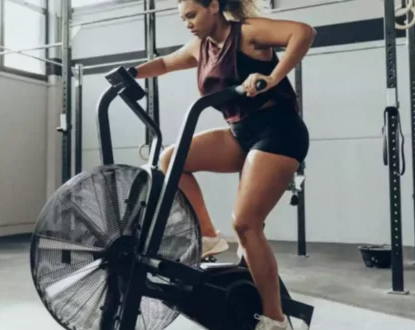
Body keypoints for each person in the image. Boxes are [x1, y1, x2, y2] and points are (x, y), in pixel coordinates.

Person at [132, 0, 315, 329]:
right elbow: (164, 63)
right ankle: (208, 235)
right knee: (172, 159)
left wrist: (273, 77)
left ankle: (275, 320)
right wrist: (130, 74)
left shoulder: (246, 32)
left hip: (279, 131)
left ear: (213, 6)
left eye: (192, 14)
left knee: (246, 224)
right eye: (183, 18)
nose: (187, 23)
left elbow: (303, 33)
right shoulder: (199, 47)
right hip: (240, 133)